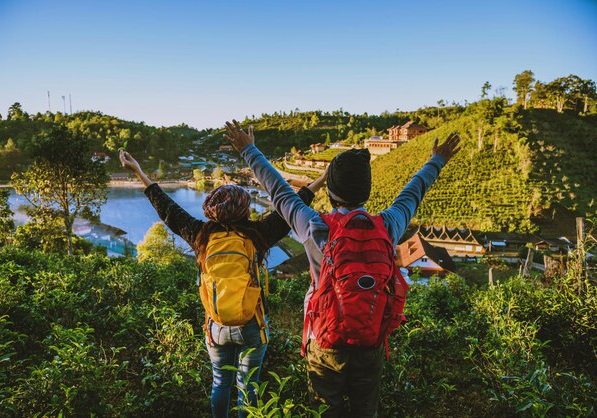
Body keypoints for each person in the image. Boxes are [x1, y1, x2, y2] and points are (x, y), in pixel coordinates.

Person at [223, 120, 461, 417]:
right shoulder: (387, 225)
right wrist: (437, 159)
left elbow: (278, 190)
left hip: (324, 342)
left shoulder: (314, 226)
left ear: (331, 190)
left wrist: (249, 150)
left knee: (325, 411)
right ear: (367, 192)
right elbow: (412, 193)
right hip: (371, 337)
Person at [118, 150, 327, 418]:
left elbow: (167, 208)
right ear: (243, 208)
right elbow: (293, 205)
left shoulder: (200, 235)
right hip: (252, 323)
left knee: (220, 383)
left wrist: (137, 170)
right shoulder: (258, 234)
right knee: (247, 388)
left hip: (215, 325)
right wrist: (321, 178)